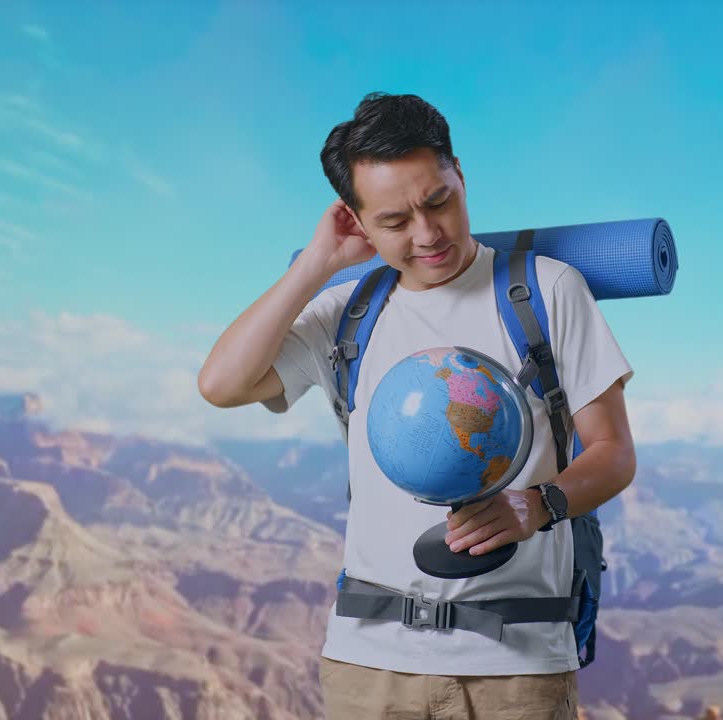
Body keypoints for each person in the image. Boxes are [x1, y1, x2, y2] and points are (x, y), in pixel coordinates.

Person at [198, 92, 636, 719]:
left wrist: (538, 504)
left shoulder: (545, 291)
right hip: (368, 665)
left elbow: (614, 454)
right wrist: (317, 264)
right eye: (394, 222)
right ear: (356, 220)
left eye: (439, 202)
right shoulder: (351, 312)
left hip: (514, 670)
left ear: (460, 175)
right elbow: (222, 384)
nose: (428, 235)